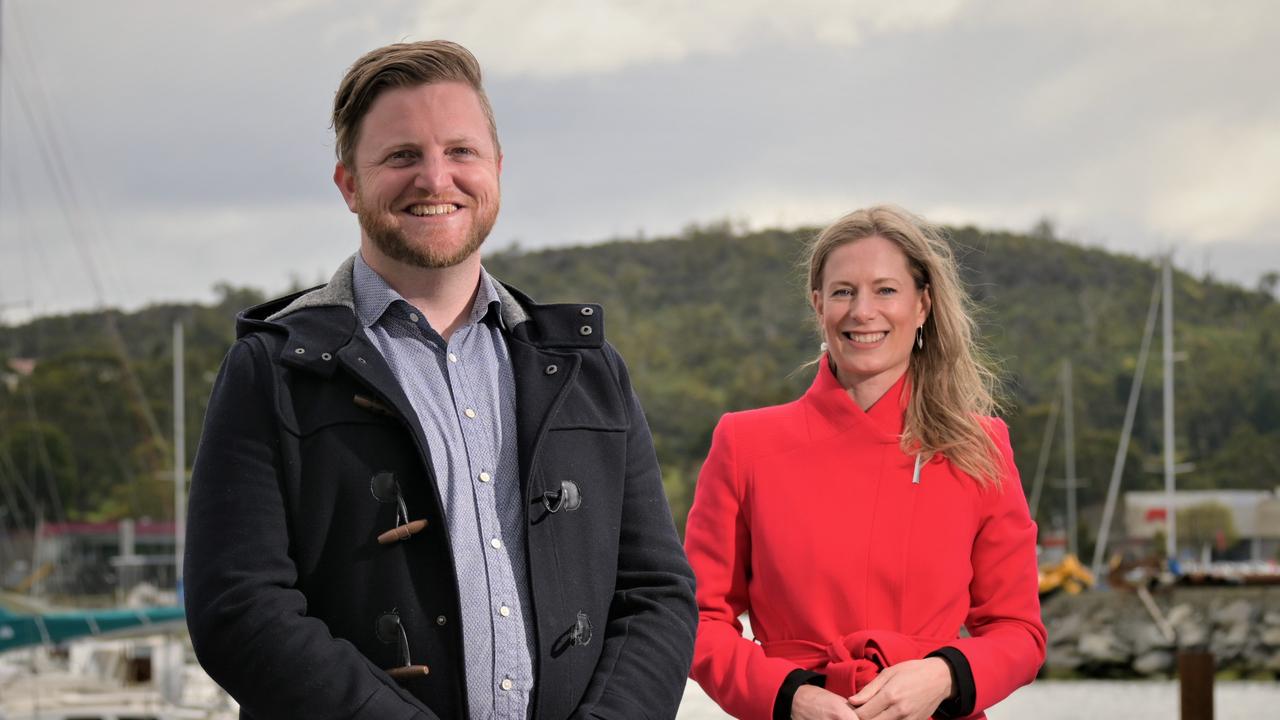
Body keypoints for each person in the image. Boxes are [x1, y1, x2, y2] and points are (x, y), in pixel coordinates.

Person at [184, 40, 696, 720]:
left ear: (497, 169)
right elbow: (239, 609)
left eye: (461, 151)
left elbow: (655, 592)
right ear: (349, 184)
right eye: (401, 156)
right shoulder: (273, 369)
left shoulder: (586, 368)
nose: (435, 178)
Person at [684, 205, 1046, 720]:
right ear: (818, 305)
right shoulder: (745, 443)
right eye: (843, 291)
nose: (863, 311)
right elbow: (697, 619)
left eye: (885, 290)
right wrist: (790, 697)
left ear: (923, 305)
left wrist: (942, 675)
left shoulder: (980, 447)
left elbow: (1020, 632)